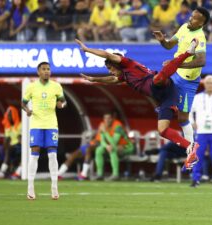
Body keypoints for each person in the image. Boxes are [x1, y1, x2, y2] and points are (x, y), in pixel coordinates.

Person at [75, 39, 199, 169]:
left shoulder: (127, 63)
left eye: (110, 68)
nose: (110, 71)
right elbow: (113, 79)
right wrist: (93, 79)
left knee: (158, 79)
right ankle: (190, 146)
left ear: (117, 62)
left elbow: (107, 55)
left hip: (163, 86)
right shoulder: (124, 76)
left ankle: (188, 53)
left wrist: (88, 50)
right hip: (164, 99)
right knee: (162, 130)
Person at [153, 7, 210, 151]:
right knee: (155, 83)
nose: (191, 19)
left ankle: (191, 149)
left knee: (183, 118)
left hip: (188, 81)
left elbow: (201, 61)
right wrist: (162, 41)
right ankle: (163, 105)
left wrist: (178, 63)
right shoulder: (184, 27)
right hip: (175, 73)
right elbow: (169, 45)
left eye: (196, 18)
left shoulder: (200, 37)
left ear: (201, 24)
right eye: (192, 16)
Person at [21, 62, 66, 200]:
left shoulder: (56, 86)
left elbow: (63, 101)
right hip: (36, 124)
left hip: (51, 124)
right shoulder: (31, 87)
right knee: (34, 155)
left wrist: (61, 104)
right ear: (38, 72)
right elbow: (23, 102)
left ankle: (54, 186)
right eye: (44, 69)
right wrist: (27, 110)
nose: (47, 71)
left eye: (48, 69)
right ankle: (30, 187)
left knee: (52, 155)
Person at [94, 111, 134, 181]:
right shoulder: (103, 125)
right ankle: (99, 174)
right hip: (113, 146)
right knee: (99, 150)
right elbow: (102, 141)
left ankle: (115, 175)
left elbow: (114, 142)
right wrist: (106, 146)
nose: (107, 120)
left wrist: (105, 132)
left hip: (127, 146)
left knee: (113, 149)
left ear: (112, 119)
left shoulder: (118, 126)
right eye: (105, 118)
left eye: (109, 118)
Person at [0, 105, 22, 179]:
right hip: (12, 147)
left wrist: (20, 138)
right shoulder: (8, 126)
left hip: (20, 145)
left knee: (14, 149)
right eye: (7, 115)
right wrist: (4, 145)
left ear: (14, 115)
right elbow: (6, 139)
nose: (8, 117)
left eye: (10, 115)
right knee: (5, 149)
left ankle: (16, 172)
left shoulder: (20, 125)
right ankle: (2, 171)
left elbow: (22, 140)